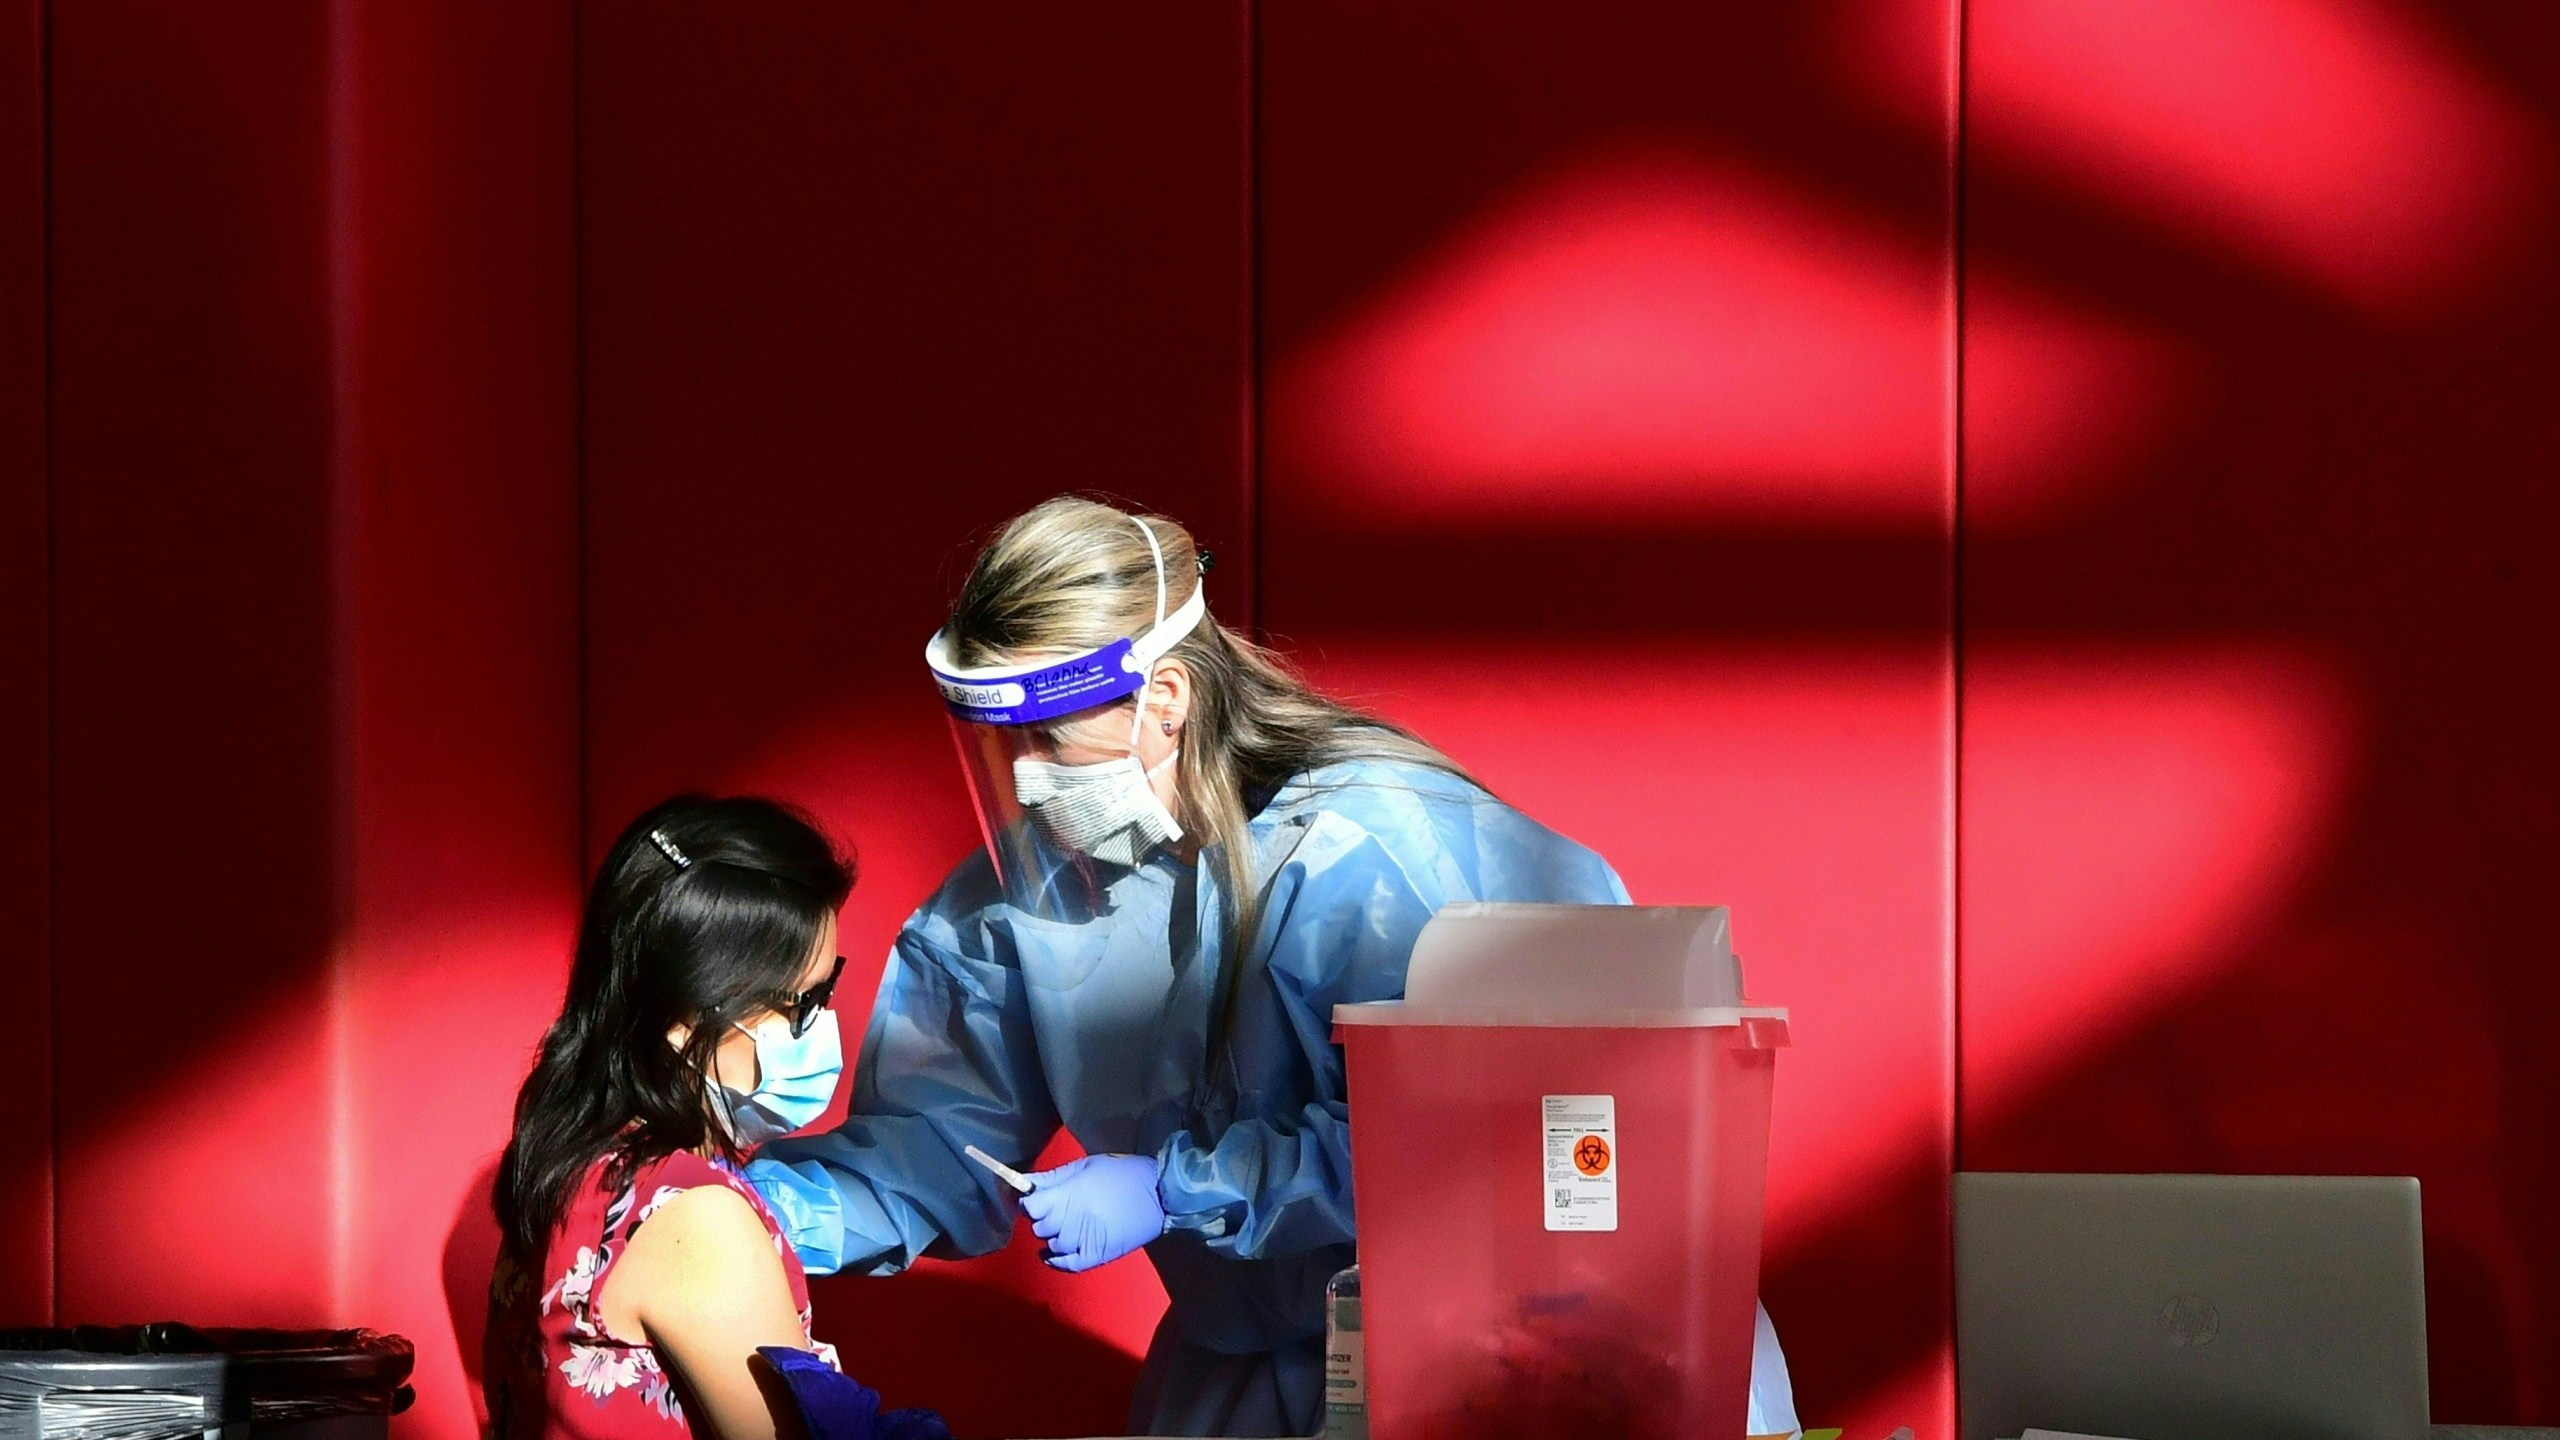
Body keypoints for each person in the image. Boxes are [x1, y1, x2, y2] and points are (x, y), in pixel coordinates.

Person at [749, 497, 1797, 1437]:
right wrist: (725, 1206)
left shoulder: (1378, 853)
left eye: (1044, 739)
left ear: (1163, 696)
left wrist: (1177, 1189)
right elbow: (934, 1145)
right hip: (1257, 1371)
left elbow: (1501, 1139)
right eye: (994, 746)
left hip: (1534, 1363)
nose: (1021, 782)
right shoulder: (1019, 907)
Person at [486, 795, 857, 1440]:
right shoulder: (696, 1215)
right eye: (801, 1004)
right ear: (687, 1019)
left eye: (828, 991)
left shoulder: (571, 1160)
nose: (823, 1027)